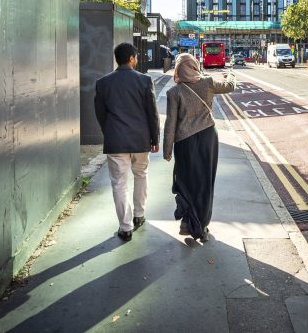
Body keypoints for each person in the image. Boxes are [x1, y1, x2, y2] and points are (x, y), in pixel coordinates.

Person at [163, 52, 236, 242]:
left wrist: (167, 150)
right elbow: (230, 86)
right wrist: (231, 74)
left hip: (184, 143)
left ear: (178, 69)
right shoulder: (207, 83)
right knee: (204, 182)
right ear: (194, 66)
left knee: (185, 182)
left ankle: (187, 222)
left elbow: (170, 123)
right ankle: (200, 226)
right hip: (207, 139)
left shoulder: (174, 92)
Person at [93, 42, 160, 243]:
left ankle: (125, 227)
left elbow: (100, 114)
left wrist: (110, 132)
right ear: (131, 58)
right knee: (141, 175)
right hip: (141, 139)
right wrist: (155, 138)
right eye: (136, 57)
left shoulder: (103, 83)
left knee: (119, 184)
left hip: (116, 140)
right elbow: (152, 113)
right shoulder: (144, 80)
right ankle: (139, 214)